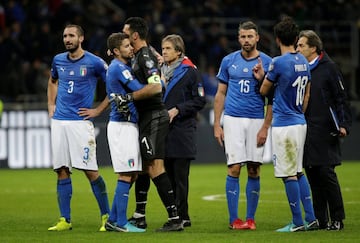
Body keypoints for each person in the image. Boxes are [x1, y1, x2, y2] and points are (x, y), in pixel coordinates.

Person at [120, 16, 183, 232]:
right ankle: (139, 216)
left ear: (135, 35)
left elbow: (156, 87)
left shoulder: (144, 56)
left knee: (155, 166)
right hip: (148, 117)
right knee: (145, 167)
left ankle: (175, 218)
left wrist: (130, 98)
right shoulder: (141, 55)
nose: (123, 37)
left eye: (125, 33)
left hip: (154, 116)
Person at [47, 24, 110, 231]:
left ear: (81, 38)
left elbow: (115, 85)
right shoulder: (58, 60)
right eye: (65, 36)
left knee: (90, 170)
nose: (67, 39)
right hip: (59, 122)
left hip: (80, 124)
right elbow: (52, 81)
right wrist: (51, 105)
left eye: (72, 36)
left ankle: (106, 217)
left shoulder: (94, 62)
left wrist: (98, 110)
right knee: (62, 170)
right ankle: (65, 220)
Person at [259, 16, 318, 232]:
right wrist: (298, 113)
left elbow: (264, 90)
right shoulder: (303, 61)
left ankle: (297, 222)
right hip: (299, 121)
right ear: (296, 38)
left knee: (288, 174)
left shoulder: (278, 62)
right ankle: (311, 218)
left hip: (284, 125)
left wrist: (263, 78)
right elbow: (307, 95)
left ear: (277, 39)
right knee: (298, 170)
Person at [213, 21, 273, 230]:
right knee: (234, 168)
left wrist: (262, 78)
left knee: (255, 169)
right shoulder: (229, 61)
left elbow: (272, 97)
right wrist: (217, 125)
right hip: (233, 119)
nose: (246, 40)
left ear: (257, 38)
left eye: (250, 36)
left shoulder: (268, 62)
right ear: (238, 38)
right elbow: (220, 93)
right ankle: (234, 220)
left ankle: (251, 219)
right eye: (243, 37)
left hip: (257, 119)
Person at [296, 30, 352, 230]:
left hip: (326, 128)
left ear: (313, 48)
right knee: (312, 174)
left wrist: (344, 124)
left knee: (326, 173)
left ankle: (338, 218)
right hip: (306, 128)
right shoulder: (300, 69)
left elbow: (341, 98)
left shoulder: (329, 68)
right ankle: (320, 219)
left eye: (301, 45)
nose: (297, 49)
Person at [102, 32, 147, 233]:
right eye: (127, 46)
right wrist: (157, 82)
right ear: (116, 51)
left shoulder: (122, 67)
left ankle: (113, 220)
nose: (131, 48)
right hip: (122, 125)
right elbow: (138, 89)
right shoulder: (119, 68)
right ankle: (120, 223)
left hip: (128, 124)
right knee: (126, 174)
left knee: (133, 174)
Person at [161, 34, 206, 227]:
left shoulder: (190, 72)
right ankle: (178, 216)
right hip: (163, 130)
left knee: (180, 177)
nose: (164, 52)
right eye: (163, 48)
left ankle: (182, 216)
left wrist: (178, 109)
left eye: (168, 48)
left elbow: (200, 100)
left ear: (179, 52)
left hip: (182, 130)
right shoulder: (159, 72)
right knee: (167, 176)